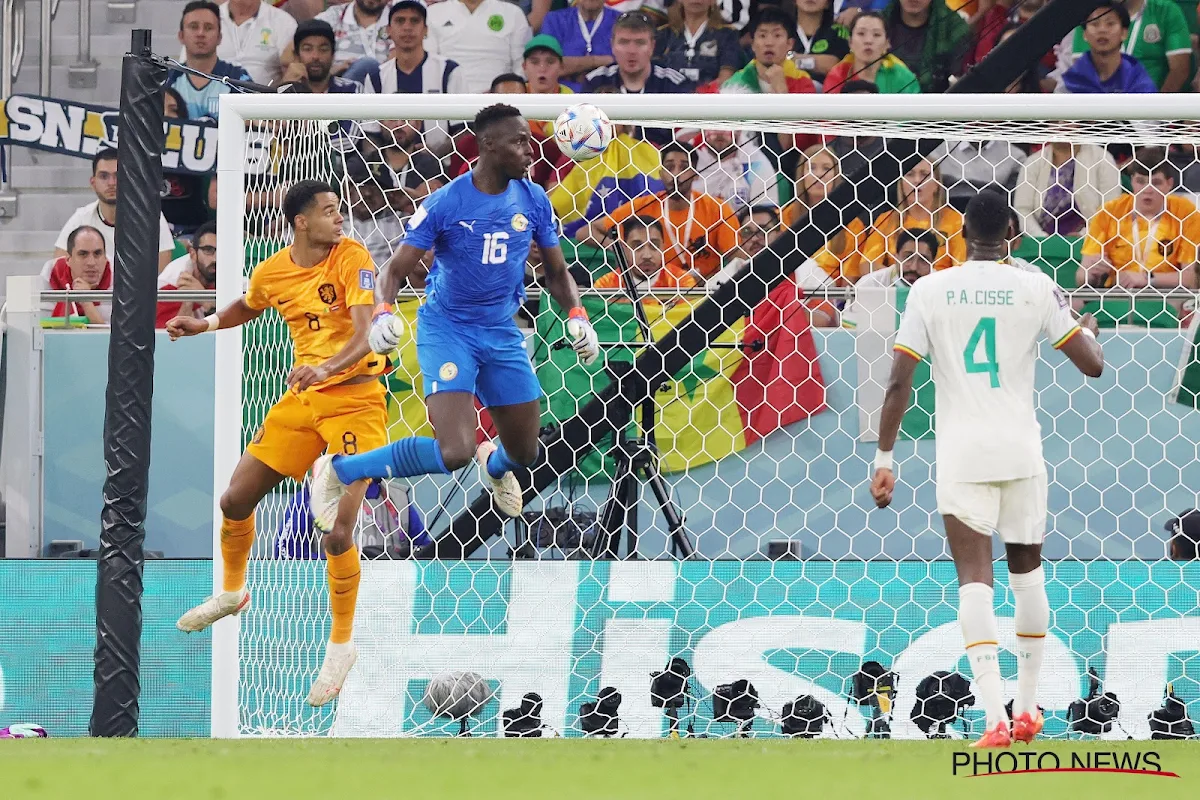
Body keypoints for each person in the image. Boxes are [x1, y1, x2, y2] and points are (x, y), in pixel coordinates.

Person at [871, 190, 1105, 748]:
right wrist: (1086, 327)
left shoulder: (929, 289)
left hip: (962, 454)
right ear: (1014, 238)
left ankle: (995, 720)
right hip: (1022, 451)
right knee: (1029, 580)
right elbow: (1092, 366)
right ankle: (1027, 711)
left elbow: (899, 382)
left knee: (975, 584)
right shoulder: (1036, 287)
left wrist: (884, 458)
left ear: (959, 236)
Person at [308, 104, 599, 529]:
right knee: (454, 451)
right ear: (488, 146)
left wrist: (577, 313)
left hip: (502, 330)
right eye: (519, 141)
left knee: (524, 453)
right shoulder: (445, 202)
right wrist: (383, 311)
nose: (530, 149)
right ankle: (340, 469)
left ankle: (494, 466)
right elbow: (392, 270)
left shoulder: (534, 198)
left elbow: (556, 271)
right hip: (448, 330)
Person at [169, 180, 387, 707]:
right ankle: (232, 592)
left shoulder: (352, 256)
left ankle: (340, 647)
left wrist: (326, 368)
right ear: (300, 222)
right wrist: (205, 324)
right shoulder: (274, 270)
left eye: (341, 210)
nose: (340, 219)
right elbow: (251, 303)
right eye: (331, 212)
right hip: (304, 402)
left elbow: (365, 331)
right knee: (234, 500)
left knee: (337, 534)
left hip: (355, 400)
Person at [53, 148, 176, 272]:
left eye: (118, 175)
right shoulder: (81, 218)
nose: (111, 183)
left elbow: (161, 276)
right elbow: (59, 268)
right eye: (104, 176)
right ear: (93, 183)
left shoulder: (150, 216)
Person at [424, 0, 533, 94]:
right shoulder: (432, 13)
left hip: (501, 102)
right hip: (449, 99)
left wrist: (506, 92)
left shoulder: (513, 13)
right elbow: (430, 64)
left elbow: (522, 67)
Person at [170, 0, 254, 121]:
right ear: (181, 36)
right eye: (193, 27)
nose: (200, 33)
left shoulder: (238, 78)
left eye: (208, 28)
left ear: (219, 37)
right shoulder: (167, 80)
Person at [1058, 3, 1157, 94]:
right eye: (1095, 24)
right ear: (1084, 35)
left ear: (1124, 33)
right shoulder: (1071, 80)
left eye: (1110, 24)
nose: (1102, 30)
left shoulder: (1138, 79)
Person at [822, 11, 919, 94]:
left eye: (876, 35)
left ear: (887, 43)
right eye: (861, 33)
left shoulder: (903, 77)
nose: (868, 41)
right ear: (850, 42)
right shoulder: (838, 75)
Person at [654, 0, 741, 86]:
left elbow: (726, 78)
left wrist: (703, 94)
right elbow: (653, 75)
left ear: (713, 1)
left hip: (710, 97)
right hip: (669, 96)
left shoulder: (728, 34)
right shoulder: (663, 34)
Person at [540, 0, 621, 89]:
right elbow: (547, 66)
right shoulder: (555, 20)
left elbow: (624, 63)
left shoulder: (620, 22)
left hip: (606, 94)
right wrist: (598, 61)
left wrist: (572, 67)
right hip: (563, 94)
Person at [40, 225, 112, 324]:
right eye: (83, 254)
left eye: (97, 254)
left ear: (105, 258)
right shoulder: (52, 273)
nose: (91, 262)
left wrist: (86, 301)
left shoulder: (118, 276)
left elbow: (109, 337)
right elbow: (43, 330)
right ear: (68, 260)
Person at [157, 220, 217, 327]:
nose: (216, 258)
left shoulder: (235, 275)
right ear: (193, 254)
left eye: (222, 251)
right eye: (208, 250)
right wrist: (188, 302)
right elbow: (169, 339)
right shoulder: (170, 284)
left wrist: (206, 300)